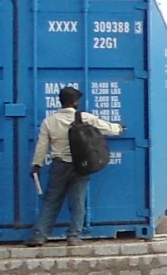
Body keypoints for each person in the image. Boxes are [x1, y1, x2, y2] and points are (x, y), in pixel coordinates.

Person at [29, 86, 122, 247]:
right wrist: (119, 128)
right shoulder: (83, 117)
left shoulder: (49, 121)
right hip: (81, 165)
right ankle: (73, 236)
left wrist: (36, 165)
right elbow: (106, 128)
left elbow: (42, 146)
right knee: (77, 202)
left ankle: (40, 235)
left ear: (61, 101)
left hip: (59, 165)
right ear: (75, 101)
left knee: (51, 200)